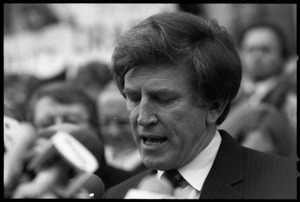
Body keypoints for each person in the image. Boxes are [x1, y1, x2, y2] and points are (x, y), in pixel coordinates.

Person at [103, 12, 297, 199]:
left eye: (163, 99)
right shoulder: (116, 195)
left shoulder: (286, 184)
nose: (143, 118)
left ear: (214, 106)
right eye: (134, 98)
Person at [97, 82, 147, 174]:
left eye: (122, 123)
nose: (114, 132)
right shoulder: (95, 161)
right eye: (105, 123)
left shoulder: (153, 168)